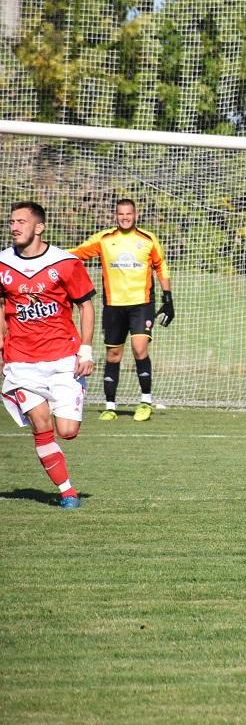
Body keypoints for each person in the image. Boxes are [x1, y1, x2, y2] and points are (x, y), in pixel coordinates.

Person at [1, 202, 96, 508]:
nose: (15, 227)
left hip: (62, 359)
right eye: (12, 222)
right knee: (42, 427)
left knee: (67, 431)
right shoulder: (2, 263)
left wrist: (86, 350)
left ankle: (59, 400)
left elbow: (86, 306)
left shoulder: (66, 263)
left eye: (22, 222)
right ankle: (67, 492)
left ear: (39, 227)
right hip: (21, 362)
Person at [70, 198, 173, 422]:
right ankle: (110, 406)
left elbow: (161, 266)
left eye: (129, 214)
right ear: (115, 216)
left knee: (139, 348)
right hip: (113, 306)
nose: (125, 217)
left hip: (141, 304)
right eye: (121, 214)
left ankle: (145, 402)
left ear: (136, 215)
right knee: (113, 355)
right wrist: (46, 254)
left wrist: (168, 298)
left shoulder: (147, 239)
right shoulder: (104, 239)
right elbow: (76, 254)